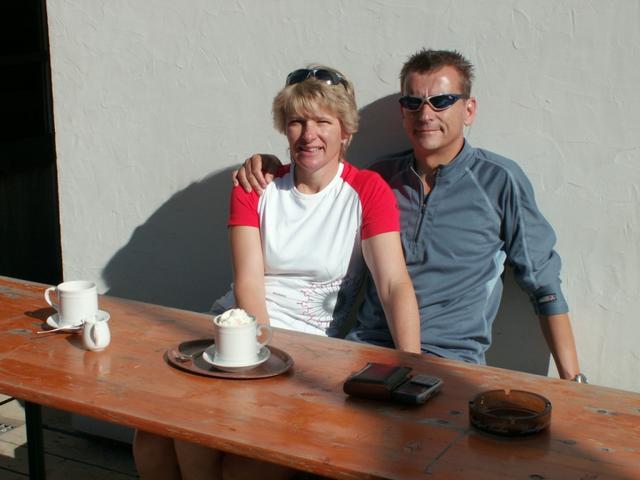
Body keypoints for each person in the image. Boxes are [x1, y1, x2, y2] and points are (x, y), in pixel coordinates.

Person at [134, 65, 421, 480]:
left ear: (346, 131)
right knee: (151, 438)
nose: (308, 135)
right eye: (297, 122)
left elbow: (394, 285)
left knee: (217, 453)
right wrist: (259, 356)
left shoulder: (367, 191)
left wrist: (412, 367)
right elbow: (248, 282)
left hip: (308, 353)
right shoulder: (255, 187)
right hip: (241, 336)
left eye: (323, 122)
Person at [233, 49, 585, 382]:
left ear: (469, 110)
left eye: (442, 101)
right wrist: (266, 165)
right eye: (413, 103)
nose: (426, 114)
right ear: (402, 112)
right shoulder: (379, 179)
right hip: (364, 349)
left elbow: (544, 283)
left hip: (452, 360)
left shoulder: (498, 181)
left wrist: (574, 380)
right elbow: (320, 173)